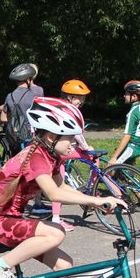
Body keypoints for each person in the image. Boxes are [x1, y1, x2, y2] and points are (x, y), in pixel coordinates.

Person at [0, 97, 126, 278]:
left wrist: (98, 201)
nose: (74, 143)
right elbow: (53, 194)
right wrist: (96, 200)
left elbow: (62, 187)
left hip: (13, 220)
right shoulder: (36, 157)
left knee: (63, 265)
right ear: (50, 137)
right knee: (55, 233)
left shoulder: (51, 157)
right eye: (70, 138)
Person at [49, 79, 94, 232]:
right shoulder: (69, 111)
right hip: (62, 151)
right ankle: (91, 190)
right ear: (69, 96)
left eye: (83, 98)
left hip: (63, 150)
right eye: (78, 98)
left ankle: (90, 190)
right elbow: (77, 134)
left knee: (59, 181)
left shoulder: (61, 107)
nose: (81, 101)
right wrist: (86, 148)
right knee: (59, 184)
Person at [0, 63, 43, 155]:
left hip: (13, 136)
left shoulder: (10, 96)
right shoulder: (34, 95)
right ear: (28, 80)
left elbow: (3, 118)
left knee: (15, 157)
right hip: (30, 136)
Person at [109, 80, 140, 165]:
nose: (124, 96)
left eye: (127, 94)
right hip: (138, 146)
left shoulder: (133, 112)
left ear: (134, 96)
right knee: (126, 171)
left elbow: (127, 136)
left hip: (131, 147)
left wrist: (114, 157)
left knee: (110, 168)